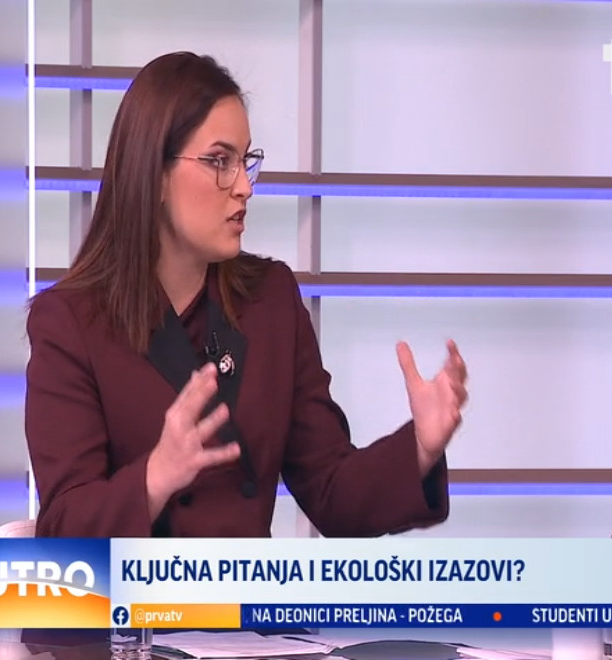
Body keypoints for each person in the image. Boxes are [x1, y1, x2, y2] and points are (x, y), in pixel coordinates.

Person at [24, 51, 469, 540]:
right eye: (219, 161)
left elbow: (332, 491)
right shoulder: (70, 322)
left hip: (247, 591)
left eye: (245, 161)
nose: (243, 187)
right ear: (155, 176)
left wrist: (420, 446)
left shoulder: (270, 301)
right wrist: (156, 476)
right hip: (135, 591)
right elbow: (62, 529)